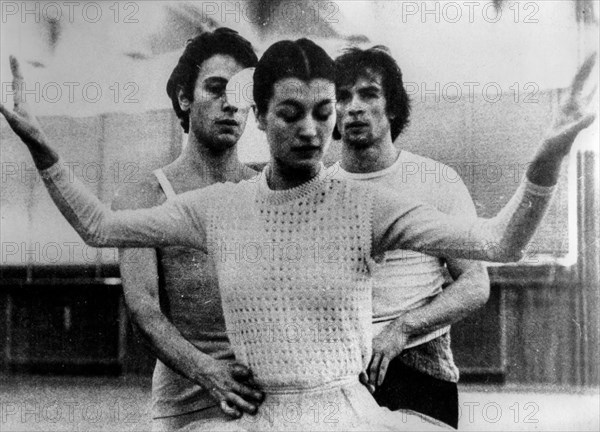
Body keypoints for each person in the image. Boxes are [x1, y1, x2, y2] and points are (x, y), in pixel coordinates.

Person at [1, 39, 594, 431]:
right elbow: (99, 226)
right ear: (259, 116)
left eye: (323, 111)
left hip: (350, 415)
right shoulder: (219, 209)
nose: (310, 129)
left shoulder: (366, 206)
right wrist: (41, 145)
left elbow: (501, 245)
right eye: (290, 113)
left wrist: (549, 158)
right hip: (254, 419)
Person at [110, 29, 263, 431]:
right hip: (188, 407)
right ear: (184, 98)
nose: (231, 105)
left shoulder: (269, 190)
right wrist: (210, 373)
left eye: (242, 95)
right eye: (216, 89)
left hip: (266, 401)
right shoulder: (145, 195)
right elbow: (144, 309)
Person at [331, 46, 489, 428]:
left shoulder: (436, 181)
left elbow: (475, 282)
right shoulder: (319, 189)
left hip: (417, 359)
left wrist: (403, 328)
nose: (354, 107)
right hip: (336, 366)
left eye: (368, 94)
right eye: (342, 96)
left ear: (393, 108)